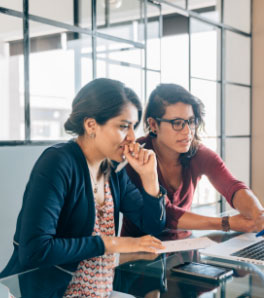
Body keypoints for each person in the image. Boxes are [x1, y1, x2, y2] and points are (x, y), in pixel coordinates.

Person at [0, 78, 166, 297]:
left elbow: (154, 225)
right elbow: (35, 250)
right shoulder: (58, 163)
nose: (132, 137)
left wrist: (150, 177)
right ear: (91, 125)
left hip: (101, 292)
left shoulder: (112, 169)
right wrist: (110, 243)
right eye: (123, 126)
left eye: (133, 127)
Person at [121, 83, 264, 242]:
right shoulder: (137, 156)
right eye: (177, 123)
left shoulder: (197, 152)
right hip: (140, 255)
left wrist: (259, 214)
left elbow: (232, 187)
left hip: (184, 246)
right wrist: (226, 223)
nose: (187, 131)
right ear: (154, 125)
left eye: (191, 121)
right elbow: (166, 215)